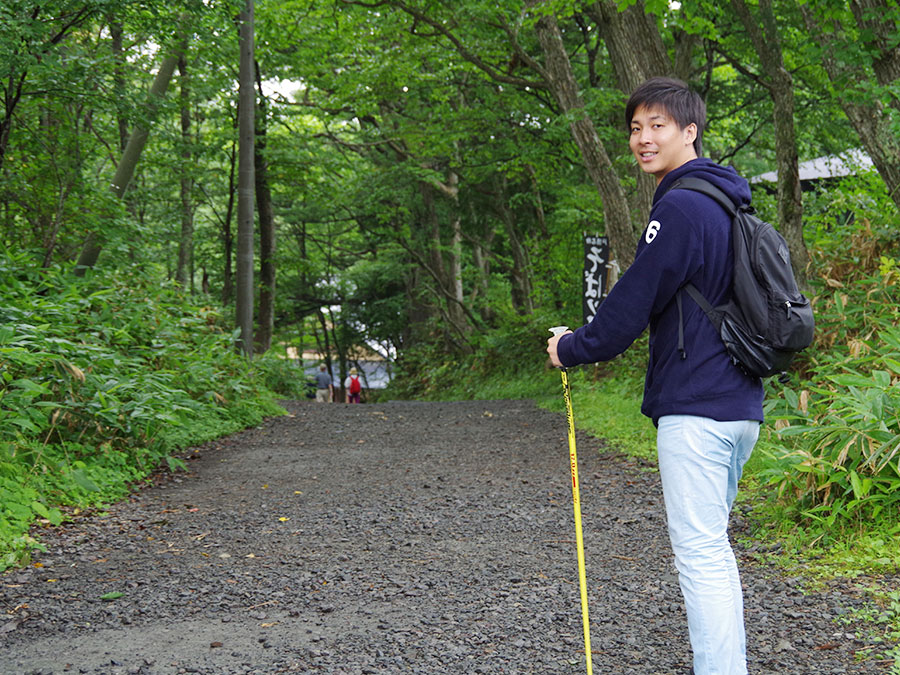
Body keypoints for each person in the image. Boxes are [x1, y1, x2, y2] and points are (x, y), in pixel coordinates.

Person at [546, 77, 764, 675]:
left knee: (702, 555)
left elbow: (634, 300)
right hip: (740, 405)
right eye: (636, 128)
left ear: (689, 131)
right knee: (713, 550)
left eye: (657, 126)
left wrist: (574, 347)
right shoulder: (726, 202)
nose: (643, 139)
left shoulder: (682, 206)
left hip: (697, 408)